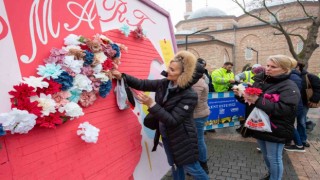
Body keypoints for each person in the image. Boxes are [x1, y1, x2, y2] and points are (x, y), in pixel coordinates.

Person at [112, 51, 209, 180]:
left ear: (183, 74)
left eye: (172, 69)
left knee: (193, 169)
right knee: (174, 165)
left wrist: (152, 104)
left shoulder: (189, 95)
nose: (168, 70)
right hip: (167, 135)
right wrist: (122, 76)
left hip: (182, 139)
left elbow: (173, 120)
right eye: (169, 67)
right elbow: (142, 84)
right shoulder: (165, 83)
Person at [233, 55, 300, 180]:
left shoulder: (289, 86)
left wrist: (257, 100)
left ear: (284, 69)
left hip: (276, 127)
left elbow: (285, 110)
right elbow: (252, 101)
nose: (268, 69)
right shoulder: (261, 81)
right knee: (265, 155)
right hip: (259, 125)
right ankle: (271, 175)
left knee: (274, 158)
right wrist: (241, 95)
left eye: (273, 67)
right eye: (267, 65)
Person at [286, 62, 320, 150]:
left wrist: (314, 99)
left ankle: (302, 140)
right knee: (292, 122)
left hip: (304, 103)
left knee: (301, 121)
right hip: (295, 102)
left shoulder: (309, 76)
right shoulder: (291, 75)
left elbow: (318, 88)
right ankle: (293, 140)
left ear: (299, 67)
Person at [192, 75, 210, 174]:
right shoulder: (201, 80)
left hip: (197, 115)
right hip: (201, 113)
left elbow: (193, 101)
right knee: (199, 139)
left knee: (198, 139)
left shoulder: (196, 83)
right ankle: (201, 162)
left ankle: (203, 163)